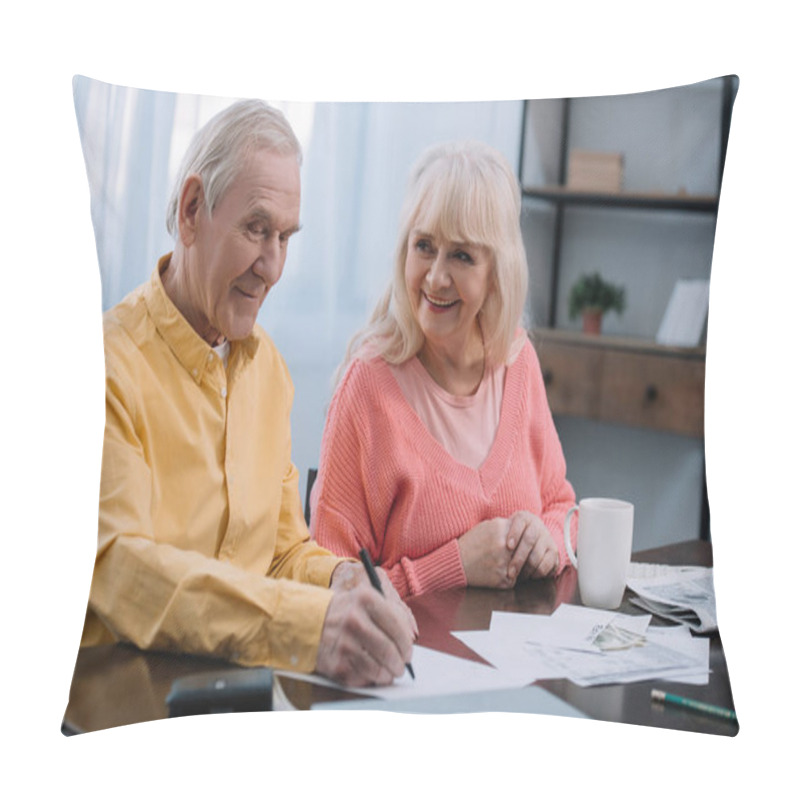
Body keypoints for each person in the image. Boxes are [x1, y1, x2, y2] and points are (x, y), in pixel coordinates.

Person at [79, 99, 416, 688]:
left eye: (285, 237)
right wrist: (306, 626)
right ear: (190, 212)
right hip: (115, 700)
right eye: (257, 229)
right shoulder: (103, 368)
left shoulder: (269, 374)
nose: (272, 266)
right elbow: (122, 571)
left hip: (233, 692)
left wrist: (342, 581)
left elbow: (282, 553)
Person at [310, 140, 577, 599]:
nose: (435, 277)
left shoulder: (519, 361)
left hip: (519, 662)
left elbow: (560, 505)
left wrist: (547, 540)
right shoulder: (368, 386)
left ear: (497, 272)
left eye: (462, 255)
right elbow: (331, 587)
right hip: (407, 665)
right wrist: (454, 565)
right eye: (424, 246)